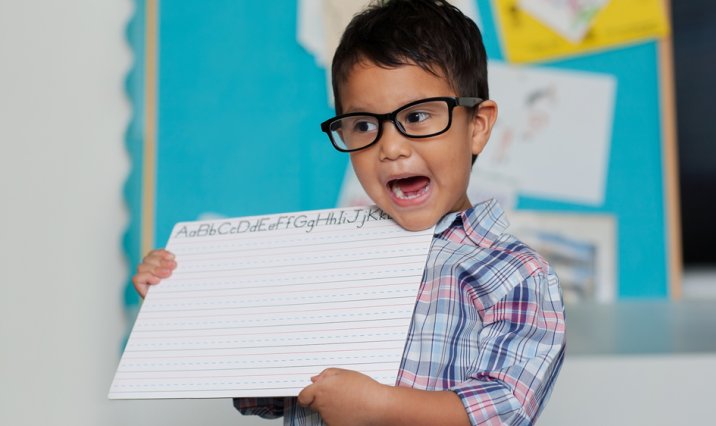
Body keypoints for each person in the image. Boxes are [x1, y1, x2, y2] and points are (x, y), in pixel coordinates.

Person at [133, 0, 566, 424]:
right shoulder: (330, 263)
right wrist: (184, 305)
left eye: (416, 116)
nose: (391, 147)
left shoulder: (517, 276)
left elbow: (504, 408)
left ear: (477, 126)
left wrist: (381, 407)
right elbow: (271, 393)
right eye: (363, 124)